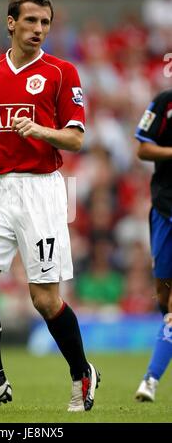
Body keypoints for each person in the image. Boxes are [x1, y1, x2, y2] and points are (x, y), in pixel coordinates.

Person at [0, 0, 100, 413]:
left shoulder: (61, 72)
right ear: (11, 22)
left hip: (41, 190)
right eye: (31, 21)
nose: (39, 29)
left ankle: (82, 372)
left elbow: (74, 138)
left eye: (45, 23)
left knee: (44, 299)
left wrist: (40, 131)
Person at [135, 89, 172, 402]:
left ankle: (150, 379)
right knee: (163, 296)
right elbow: (143, 149)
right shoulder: (165, 103)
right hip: (164, 209)